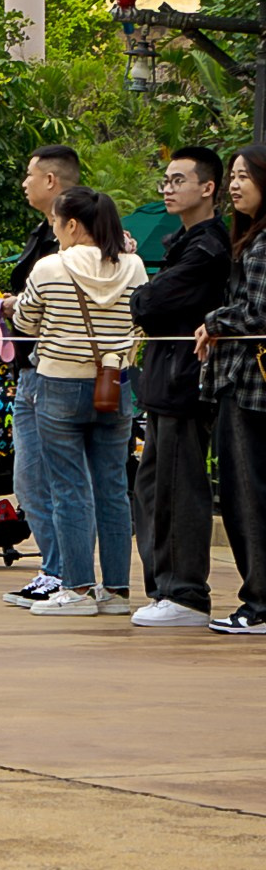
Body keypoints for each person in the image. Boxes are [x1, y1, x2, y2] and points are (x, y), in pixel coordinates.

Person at [9, 186, 146, 617]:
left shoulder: (50, 267)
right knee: (112, 488)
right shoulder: (134, 266)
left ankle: (78, 588)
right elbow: (143, 319)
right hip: (115, 383)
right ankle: (118, 591)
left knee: (68, 489)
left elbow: (25, 320)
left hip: (59, 382)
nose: (54, 230)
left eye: (55, 222)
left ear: (70, 225)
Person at [130, 147, 232, 627]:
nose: (168, 188)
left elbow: (150, 303)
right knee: (151, 487)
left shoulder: (209, 247)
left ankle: (185, 592)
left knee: (177, 486)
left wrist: (146, 295)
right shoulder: (184, 242)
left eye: (178, 180)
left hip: (185, 382)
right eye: (165, 180)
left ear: (207, 187)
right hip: (164, 381)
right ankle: (164, 588)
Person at [3, 143, 81, 608]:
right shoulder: (43, 234)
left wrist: (19, 307)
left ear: (51, 181)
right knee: (33, 478)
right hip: (32, 367)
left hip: (54, 371)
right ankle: (57, 568)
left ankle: (66, 573)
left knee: (48, 478)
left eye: (29, 175)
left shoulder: (75, 243)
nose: (24, 183)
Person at [197, 145, 266, 634]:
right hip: (241, 383)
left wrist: (212, 321)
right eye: (233, 176)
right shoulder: (250, 238)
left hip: (249, 387)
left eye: (245, 175)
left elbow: (257, 314)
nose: (235, 184)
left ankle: (259, 603)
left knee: (247, 496)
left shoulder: (263, 243)